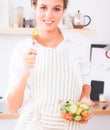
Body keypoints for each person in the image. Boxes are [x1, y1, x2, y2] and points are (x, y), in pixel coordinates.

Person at [6, 0, 94, 130]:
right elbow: (13, 107)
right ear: (34, 7)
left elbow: (85, 81)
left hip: (68, 125)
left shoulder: (79, 45)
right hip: (33, 125)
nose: (49, 15)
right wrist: (25, 72)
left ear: (63, 10)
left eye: (56, 9)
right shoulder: (22, 49)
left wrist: (84, 99)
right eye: (43, 8)